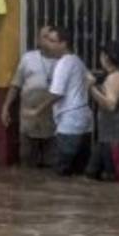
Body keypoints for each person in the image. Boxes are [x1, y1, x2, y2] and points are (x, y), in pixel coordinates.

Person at [27, 26, 92, 175]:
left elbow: (57, 93)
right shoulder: (76, 60)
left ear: (63, 44)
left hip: (70, 122)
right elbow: (89, 80)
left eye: (52, 41)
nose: (48, 44)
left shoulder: (64, 63)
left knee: (61, 172)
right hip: (84, 120)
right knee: (79, 169)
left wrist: (37, 110)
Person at [0, 25, 58, 167]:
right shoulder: (28, 58)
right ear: (38, 41)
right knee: (27, 163)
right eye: (45, 37)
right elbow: (16, 84)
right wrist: (6, 107)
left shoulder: (63, 60)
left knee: (52, 166)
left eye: (52, 38)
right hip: (29, 121)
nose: (49, 40)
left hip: (55, 123)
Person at [85, 40, 119, 183]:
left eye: (102, 55)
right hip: (107, 137)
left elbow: (110, 105)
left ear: (106, 57)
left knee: (113, 179)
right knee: (91, 174)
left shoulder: (115, 78)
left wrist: (91, 88)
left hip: (116, 138)